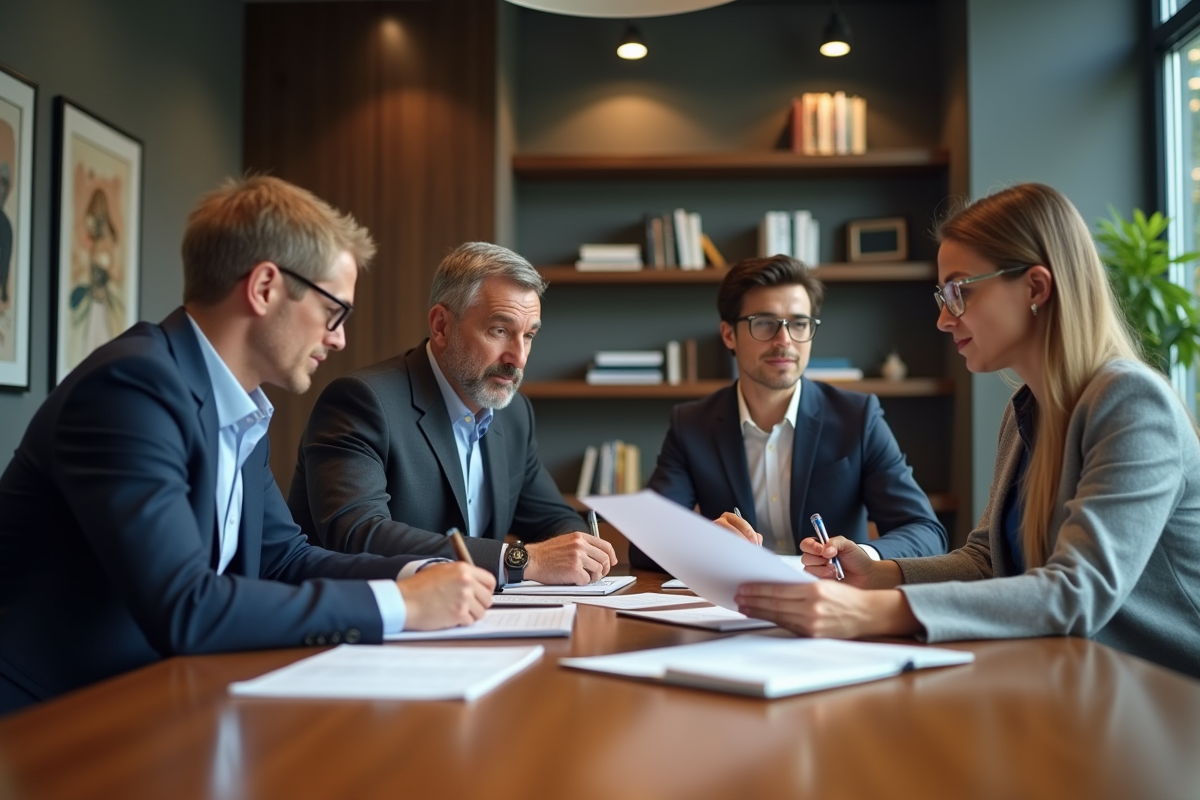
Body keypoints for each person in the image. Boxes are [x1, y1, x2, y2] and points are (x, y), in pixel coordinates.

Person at [0, 176, 496, 715]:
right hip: (45, 722)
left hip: (151, 702)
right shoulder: (130, 390)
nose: (339, 338)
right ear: (264, 288)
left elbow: (284, 558)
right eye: (335, 312)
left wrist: (414, 573)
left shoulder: (240, 407)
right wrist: (399, 604)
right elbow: (184, 606)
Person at [735, 183, 1200, 679]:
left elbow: (1076, 592)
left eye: (959, 291)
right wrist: (878, 576)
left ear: (1036, 288)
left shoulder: (1131, 403)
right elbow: (988, 560)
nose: (941, 318)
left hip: (1166, 701)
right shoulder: (1026, 414)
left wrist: (869, 612)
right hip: (1075, 682)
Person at [288, 242, 616, 586]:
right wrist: (519, 560)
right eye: (499, 331)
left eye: (529, 335)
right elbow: (358, 535)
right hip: (364, 622)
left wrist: (579, 552)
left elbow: (555, 520)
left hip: (473, 621)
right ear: (442, 326)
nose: (517, 358)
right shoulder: (362, 401)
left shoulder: (514, 413)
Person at [631, 254, 947, 572]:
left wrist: (862, 557)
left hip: (832, 602)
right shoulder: (691, 424)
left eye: (798, 324)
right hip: (733, 604)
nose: (784, 341)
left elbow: (925, 531)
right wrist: (704, 542)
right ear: (729, 335)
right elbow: (642, 543)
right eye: (765, 323)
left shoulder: (857, 417)